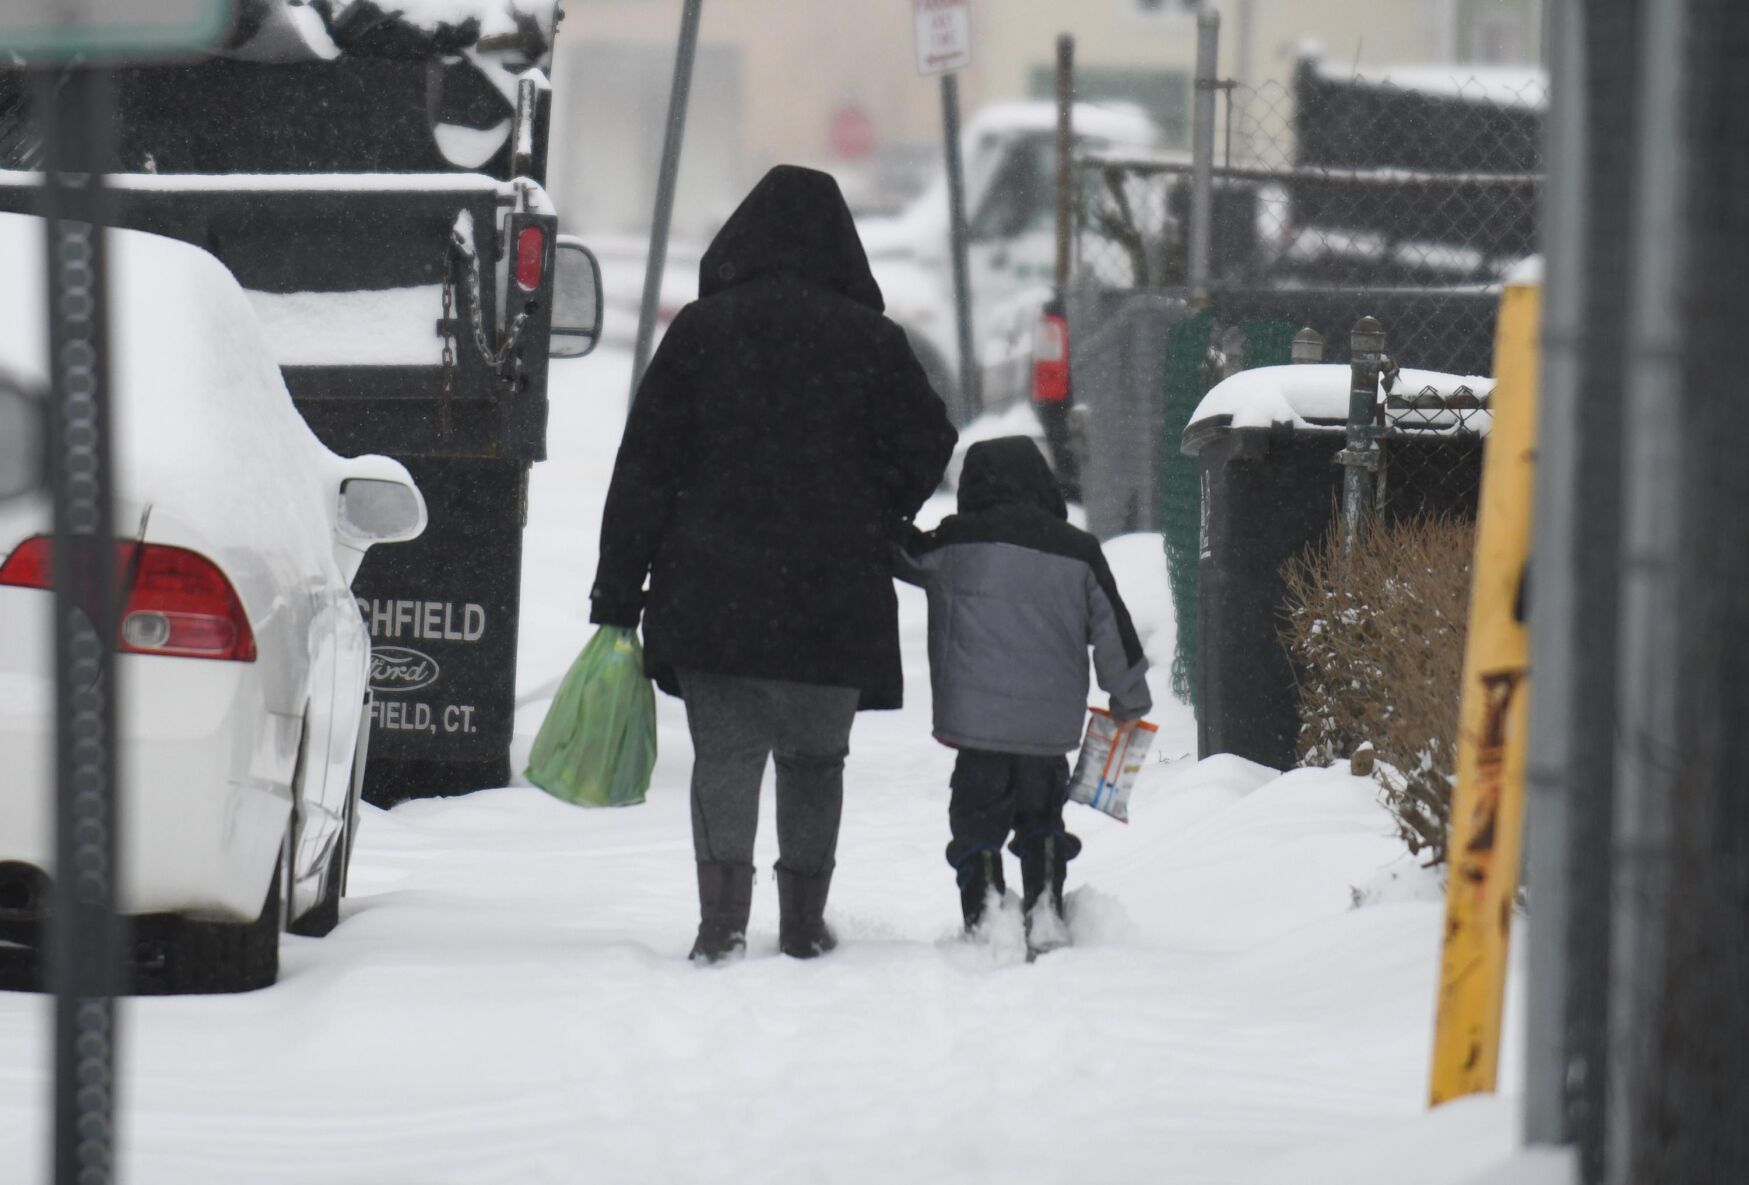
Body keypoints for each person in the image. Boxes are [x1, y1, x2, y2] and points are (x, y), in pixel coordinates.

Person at [590, 166, 957, 964]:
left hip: (712, 593)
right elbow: (931, 438)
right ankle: (801, 920)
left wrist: (618, 590)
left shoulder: (701, 330)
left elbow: (644, 465)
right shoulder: (872, 341)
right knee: (814, 759)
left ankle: (719, 922)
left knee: (725, 758)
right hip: (832, 595)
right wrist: (876, 503)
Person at [895, 436, 1150, 954]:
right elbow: (1114, 633)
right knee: (1043, 820)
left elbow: (901, 553)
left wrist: (871, 510)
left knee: (976, 824)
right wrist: (1129, 702)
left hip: (977, 728)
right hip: (1047, 733)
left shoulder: (956, 541)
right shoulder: (1079, 551)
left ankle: (987, 913)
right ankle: (1045, 910)